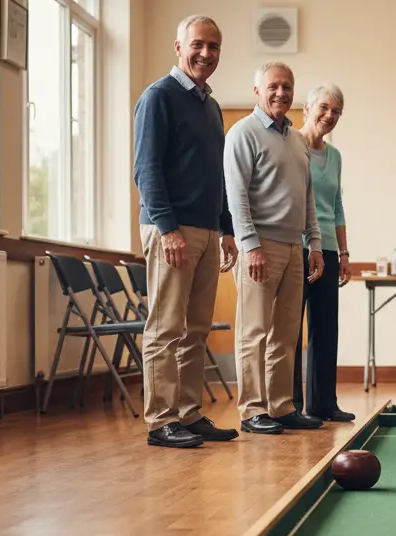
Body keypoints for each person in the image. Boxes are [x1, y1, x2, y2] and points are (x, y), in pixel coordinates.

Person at [133, 15, 239, 448]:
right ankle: (161, 420)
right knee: (165, 327)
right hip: (170, 231)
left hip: (206, 232)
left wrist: (227, 229)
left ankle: (190, 414)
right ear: (179, 47)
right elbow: (146, 168)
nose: (206, 54)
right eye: (198, 45)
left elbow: (218, 176)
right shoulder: (158, 97)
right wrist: (168, 228)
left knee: (196, 329)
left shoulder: (211, 107)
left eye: (214, 47)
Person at [223, 62, 325, 434]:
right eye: (273, 86)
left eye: (287, 86)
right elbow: (236, 197)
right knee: (254, 331)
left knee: (286, 333)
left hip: (294, 247)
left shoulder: (298, 140)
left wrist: (314, 242)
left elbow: (308, 197)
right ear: (257, 92)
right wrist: (250, 246)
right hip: (260, 246)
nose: (281, 93)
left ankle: (281, 406)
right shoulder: (242, 134)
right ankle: (252, 409)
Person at [292, 83, 355, 422]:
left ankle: (323, 403)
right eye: (324, 108)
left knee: (325, 328)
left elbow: (337, 205)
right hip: (297, 248)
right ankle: (291, 405)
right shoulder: (291, 145)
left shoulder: (336, 156)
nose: (329, 116)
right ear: (307, 108)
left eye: (336, 112)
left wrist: (344, 253)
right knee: (291, 329)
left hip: (328, 250)